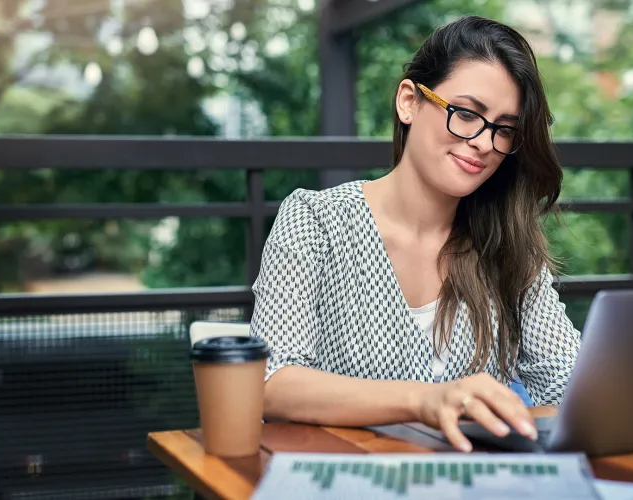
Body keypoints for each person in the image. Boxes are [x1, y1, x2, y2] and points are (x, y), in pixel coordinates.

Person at [249, 15, 581, 453]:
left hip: (477, 483)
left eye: (504, 129)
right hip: (348, 480)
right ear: (409, 101)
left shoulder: (506, 244)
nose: (484, 142)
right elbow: (272, 382)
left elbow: (571, 384)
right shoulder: (315, 221)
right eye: (466, 114)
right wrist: (425, 400)